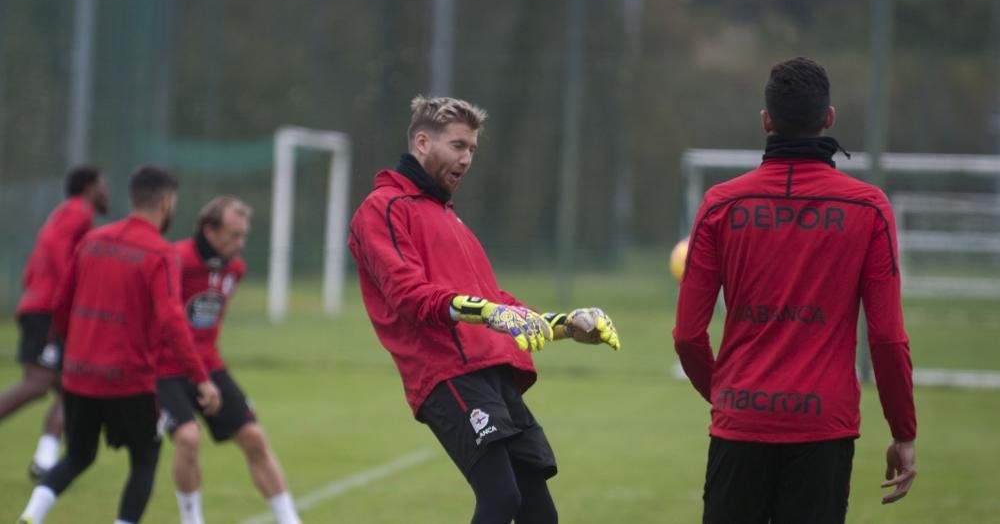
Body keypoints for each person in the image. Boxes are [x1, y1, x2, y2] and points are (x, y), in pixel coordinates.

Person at [348, 95, 621, 524]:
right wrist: (489, 313)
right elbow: (408, 295)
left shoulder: (448, 217)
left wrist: (566, 324)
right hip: (446, 371)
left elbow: (495, 300)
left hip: (490, 371)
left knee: (539, 513)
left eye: (473, 148)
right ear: (422, 142)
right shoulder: (382, 208)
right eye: (458, 145)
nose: (467, 158)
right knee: (501, 498)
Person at [673, 57, 917, 524]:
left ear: (766, 122)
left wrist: (728, 394)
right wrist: (903, 430)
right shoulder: (868, 209)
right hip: (822, 430)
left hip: (739, 424)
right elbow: (886, 337)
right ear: (829, 118)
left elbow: (687, 335)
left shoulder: (720, 205)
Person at [17, 166, 221, 524]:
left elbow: (62, 304)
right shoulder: (161, 253)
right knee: (144, 459)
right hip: (129, 379)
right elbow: (172, 320)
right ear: (167, 203)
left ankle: (31, 516)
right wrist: (201, 378)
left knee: (78, 455)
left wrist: (71, 353)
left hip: (79, 376)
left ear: (133, 198)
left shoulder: (92, 241)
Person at [157, 197, 302, 524]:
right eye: (234, 235)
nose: (241, 243)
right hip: (166, 368)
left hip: (209, 365)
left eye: (244, 235)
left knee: (254, 437)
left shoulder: (234, 269)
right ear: (209, 230)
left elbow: (205, 329)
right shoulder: (174, 260)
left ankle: (290, 519)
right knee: (188, 438)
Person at [0, 165, 109, 480]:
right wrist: (69, 292)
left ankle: (44, 461)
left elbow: (35, 264)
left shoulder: (68, 214)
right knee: (37, 383)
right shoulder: (78, 212)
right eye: (104, 185)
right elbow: (54, 248)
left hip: (49, 309)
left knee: (73, 388)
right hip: (50, 312)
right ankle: (45, 459)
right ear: (90, 187)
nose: (107, 192)